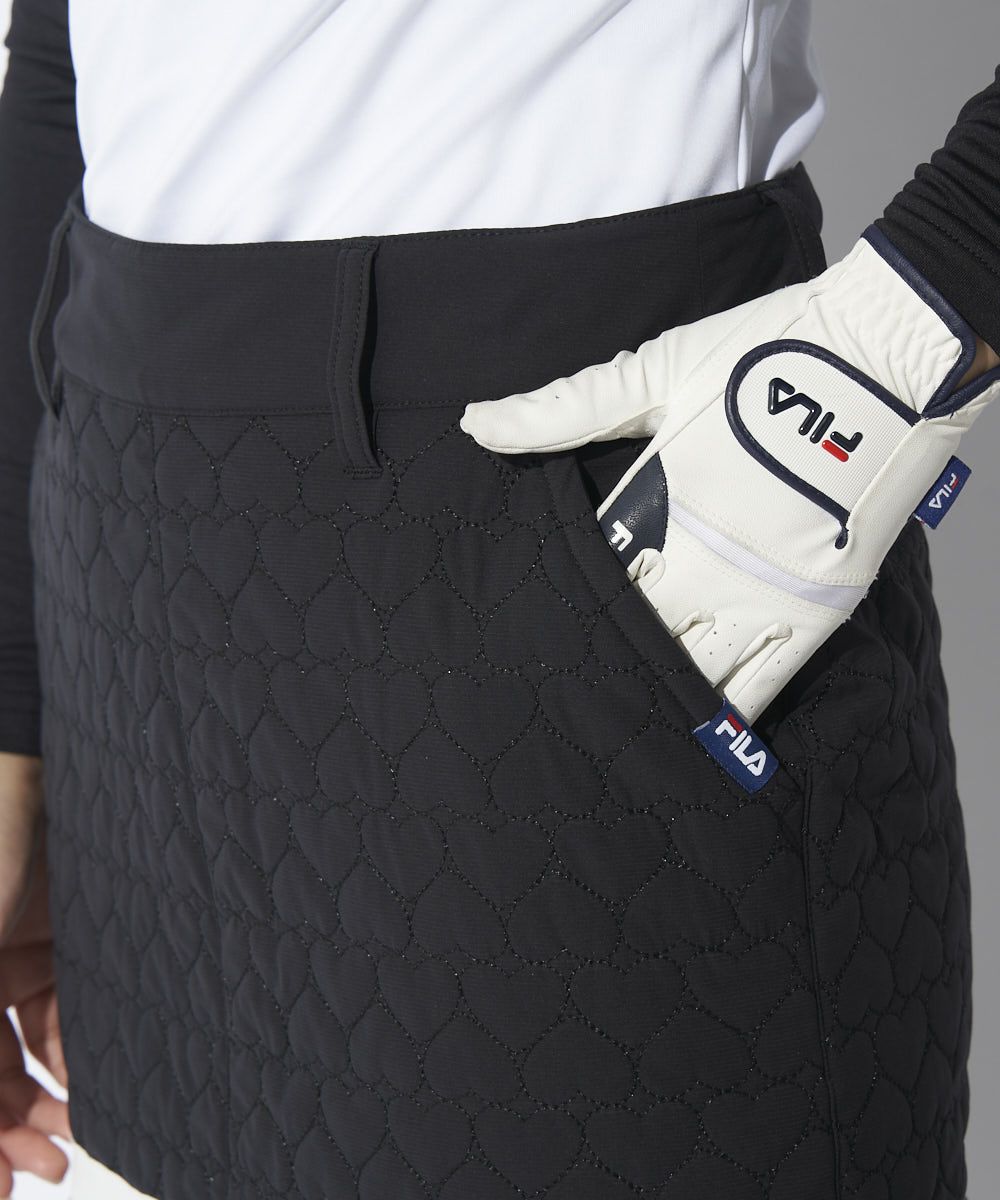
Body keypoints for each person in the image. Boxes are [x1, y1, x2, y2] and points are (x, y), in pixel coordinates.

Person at [0, 2, 998, 1198]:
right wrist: (14, 708)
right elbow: (61, 51)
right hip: (133, 643)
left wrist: (900, 335)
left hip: (582, 530)